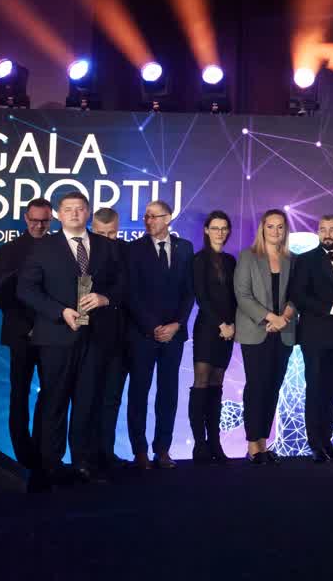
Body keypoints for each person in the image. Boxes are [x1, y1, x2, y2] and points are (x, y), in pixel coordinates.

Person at [17, 191, 121, 485]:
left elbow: (122, 284)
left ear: (87, 213)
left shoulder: (105, 246)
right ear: (59, 215)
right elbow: (26, 289)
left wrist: (105, 298)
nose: (74, 213)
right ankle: (50, 465)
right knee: (55, 401)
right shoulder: (43, 247)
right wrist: (59, 311)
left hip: (96, 337)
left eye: (80, 208)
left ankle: (82, 463)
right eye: (68, 209)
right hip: (56, 336)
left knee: (88, 401)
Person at [125, 200, 194, 469]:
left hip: (174, 335)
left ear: (168, 218)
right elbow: (131, 293)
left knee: (168, 393)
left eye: (154, 216)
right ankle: (139, 450)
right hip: (143, 334)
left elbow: (189, 291)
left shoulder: (184, 248)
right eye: (146, 216)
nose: (149, 221)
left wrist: (177, 324)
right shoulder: (133, 249)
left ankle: (162, 450)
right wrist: (153, 326)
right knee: (139, 392)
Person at [289, 214, 333, 463]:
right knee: (316, 389)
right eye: (323, 229)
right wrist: (331, 308)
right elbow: (298, 296)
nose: (327, 234)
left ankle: (327, 442)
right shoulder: (305, 260)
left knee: (332, 391)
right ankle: (315, 444)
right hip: (316, 336)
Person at [0, 197, 54, 469]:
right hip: (20, 333)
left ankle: (43, 451)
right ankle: (23, 456)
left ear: (51, 220)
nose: (39, 225)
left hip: (52, 333)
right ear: (26, 218)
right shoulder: (9, 250)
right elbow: (4, 294)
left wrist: (46, 324)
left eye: (44, 221)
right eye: (34, 220)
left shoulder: (60, 247)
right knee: (19, 393)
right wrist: (28, 326)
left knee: (51, 393)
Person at [234, 210, 296, 464]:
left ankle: (263, 442)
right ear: (262, 228)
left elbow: (297, 294)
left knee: (272, 387)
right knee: (257, 386)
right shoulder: (248, 256)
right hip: (256, 330)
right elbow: (243, 295)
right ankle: (252, 445)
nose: (275, 231)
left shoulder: (292, 259)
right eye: (271, 226)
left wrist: (284, 318)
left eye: (280, 227)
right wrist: (271, 318)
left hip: (284, 332)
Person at [188, 211, 237, 464]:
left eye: (224, 228)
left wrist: (232, 325)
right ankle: (200, 444)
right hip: (208, 328)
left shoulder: (230, 260)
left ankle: (215, 442)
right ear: (206, 230)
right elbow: (202, 297)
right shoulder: (199, 260)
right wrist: (221, 324)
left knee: (217, 385)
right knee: (201, 383)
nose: (220, 232)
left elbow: (236, 296)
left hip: (228, 330)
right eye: (215, 228)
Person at [88, 207, 130, 470]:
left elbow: (131, 288)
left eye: (111, 234)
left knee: (112, 396)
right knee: (88, 397)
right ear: (92, 229)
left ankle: (107, 452)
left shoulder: (127, 251)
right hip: (90, 336)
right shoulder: (84, 251)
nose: (106, 239)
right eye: (101, 234)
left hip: (121, 336)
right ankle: (87, 456)